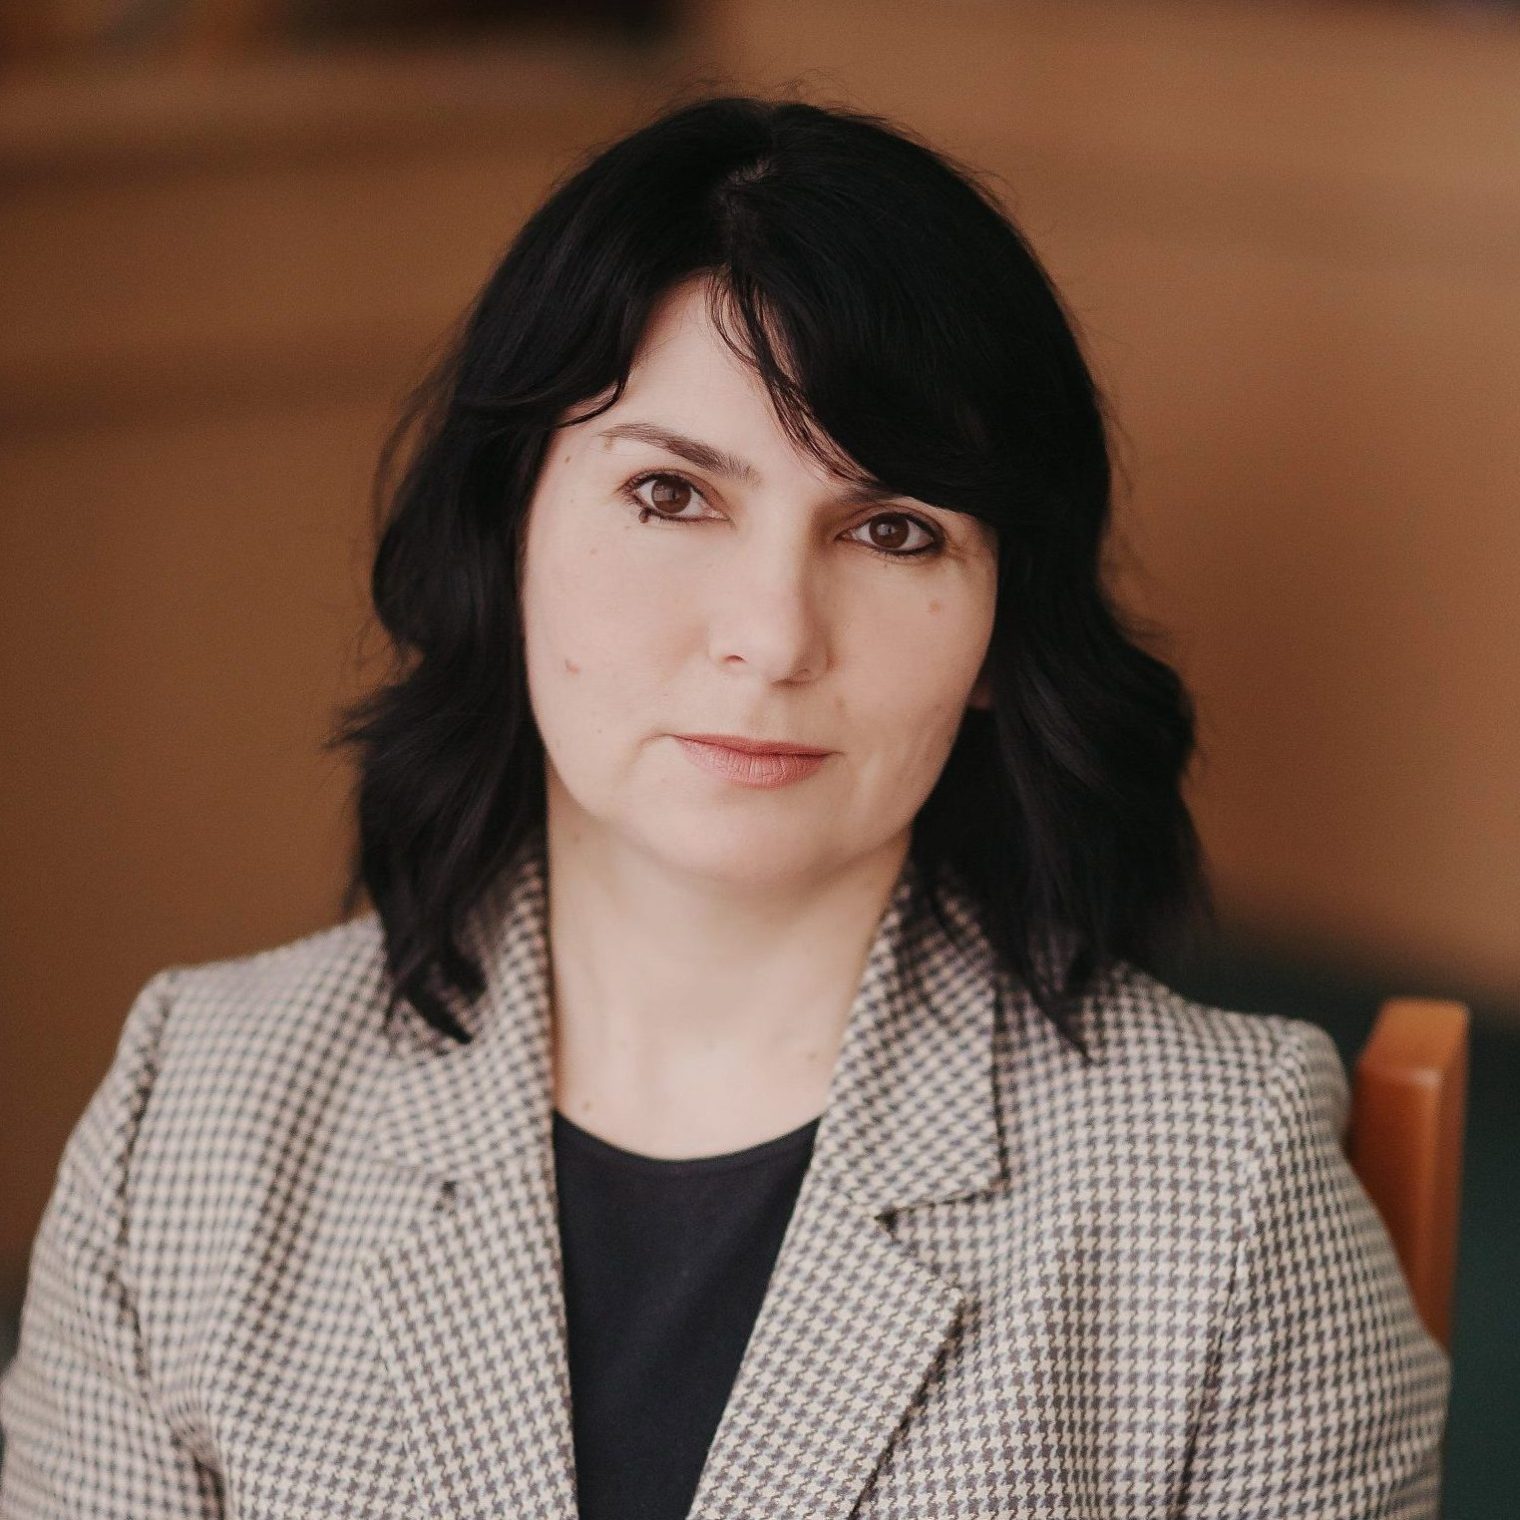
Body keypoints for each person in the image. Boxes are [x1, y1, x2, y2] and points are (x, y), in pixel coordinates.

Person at [0, 93, 1448, 1519]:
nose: (771, 636)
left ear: (1005, 632)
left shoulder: (1218, 1179)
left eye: (893, 530)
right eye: (672, 497)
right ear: (507, 529)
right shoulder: (199, 1109)